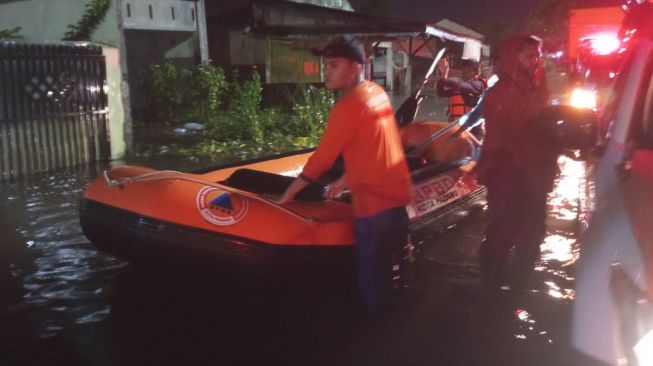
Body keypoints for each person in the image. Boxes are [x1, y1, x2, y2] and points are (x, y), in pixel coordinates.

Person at [277, 35, 413, 315]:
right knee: (390, 266)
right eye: (326, 65)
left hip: (374, 205)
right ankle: (393, 315)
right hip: (398, 197)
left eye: (334, 65)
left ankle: (375, 332)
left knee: (369, 269)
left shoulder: (347, 106)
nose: (327, 71)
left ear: (354, 68)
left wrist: (288, 194)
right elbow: (375, 145)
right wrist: (344, 179)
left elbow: (322, 160)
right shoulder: (377, 92)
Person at [475, 34, 560, 294]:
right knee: (503, 230)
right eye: (529, 56)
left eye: (537, 55)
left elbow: (544, 127)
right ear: (514, 59)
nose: (535, 61)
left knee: (533, 233)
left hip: (535, 174)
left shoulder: (537, 89)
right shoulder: (499, 94)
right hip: (509, 175)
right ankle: (491, 286)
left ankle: (519, 287)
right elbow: (499, 139)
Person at [436, 58, 487, 139]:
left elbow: (460, 85)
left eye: (468, 72)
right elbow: (441, 93)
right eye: (463, 72)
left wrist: (445, 80)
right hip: (456, 127)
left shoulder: (479, 85)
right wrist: (444, 74)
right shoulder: (460, 86)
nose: (465, 75)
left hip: (474, 130)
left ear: (477, 72)